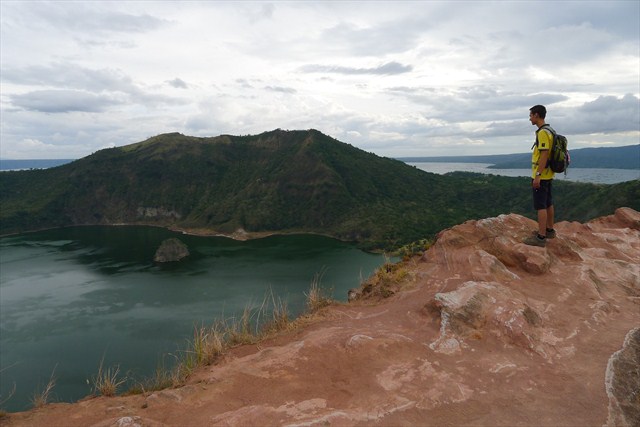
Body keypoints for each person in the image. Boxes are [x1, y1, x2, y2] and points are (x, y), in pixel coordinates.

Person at [524, 104, 556, 247]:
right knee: (548, 202)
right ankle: (549, 230)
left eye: (531, 115)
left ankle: (541, 237)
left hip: (541, 175)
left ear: (536, 115)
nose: (530, 118)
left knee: (540, 205)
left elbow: (544, 155)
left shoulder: (543, 132)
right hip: (549, 174)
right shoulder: (551, 130)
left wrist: (537, 175)